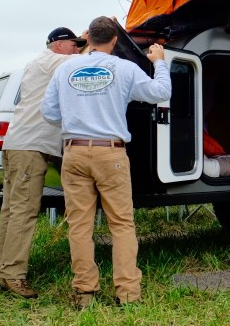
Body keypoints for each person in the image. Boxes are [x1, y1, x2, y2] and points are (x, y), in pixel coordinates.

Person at [41, 16, 171, 309]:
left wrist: (78, 117)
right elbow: (161, 93)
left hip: (74, 153)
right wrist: (159, 61)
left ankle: (84, 292)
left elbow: (48, 112)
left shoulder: (65, 70)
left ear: (88, 39)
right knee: (122, 224)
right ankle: (127, 294)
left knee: (79, 225)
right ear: (114, 40)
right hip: (110, 154)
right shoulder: (125, 68)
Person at [0, 27, 85, 298]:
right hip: (30, 147)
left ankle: (3, 271)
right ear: (58, 46)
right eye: (74, 44)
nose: (77, 49)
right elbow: (85, 63)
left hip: (18, 144)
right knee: (24, 211)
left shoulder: (39, 63)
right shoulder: (52, 61)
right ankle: (13, 275)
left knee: (11, 211)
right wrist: (95, 40)